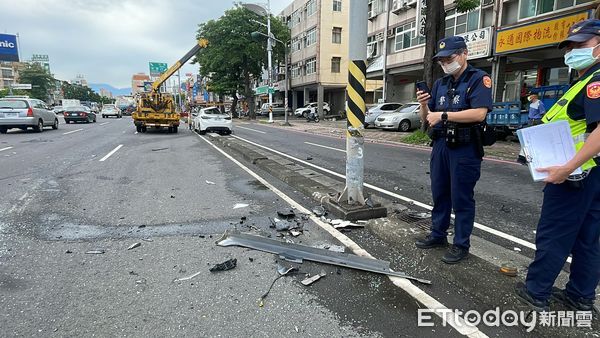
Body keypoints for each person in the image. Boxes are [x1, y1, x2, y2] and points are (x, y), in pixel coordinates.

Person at [515, 19, 600, 312]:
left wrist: (567, 167)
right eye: (571, 46)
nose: (574, 51)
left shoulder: (595, 82)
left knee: (555, 232)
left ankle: (536, 290)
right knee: (588, 237)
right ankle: (581, 296)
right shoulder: (582, 82)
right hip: (591, 173)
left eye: (582, 44)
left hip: (575, 174)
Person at [414, 36, 493, 264]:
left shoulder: (478, 79)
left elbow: (479, 113)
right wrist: (423, 104)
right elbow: (428, 119)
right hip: (441, 145)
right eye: (442, 60)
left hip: (465, 148)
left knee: (462, 198)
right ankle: (438, 235)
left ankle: (461, 244)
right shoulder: (441, 84)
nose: (446, 63)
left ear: (464, 53)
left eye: (450, 57)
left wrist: (444, 115)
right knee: (440, 193)